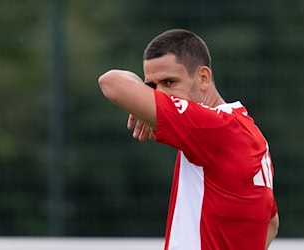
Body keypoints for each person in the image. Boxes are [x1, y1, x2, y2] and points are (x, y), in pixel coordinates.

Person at [98, 29, 279, 250]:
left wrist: (141, 96)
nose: (160, 94)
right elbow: (271, 222)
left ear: (203, 78)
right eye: (152, 86)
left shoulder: (210, 126)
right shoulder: (249, 131)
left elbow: (111, 82)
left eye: (170, 82)